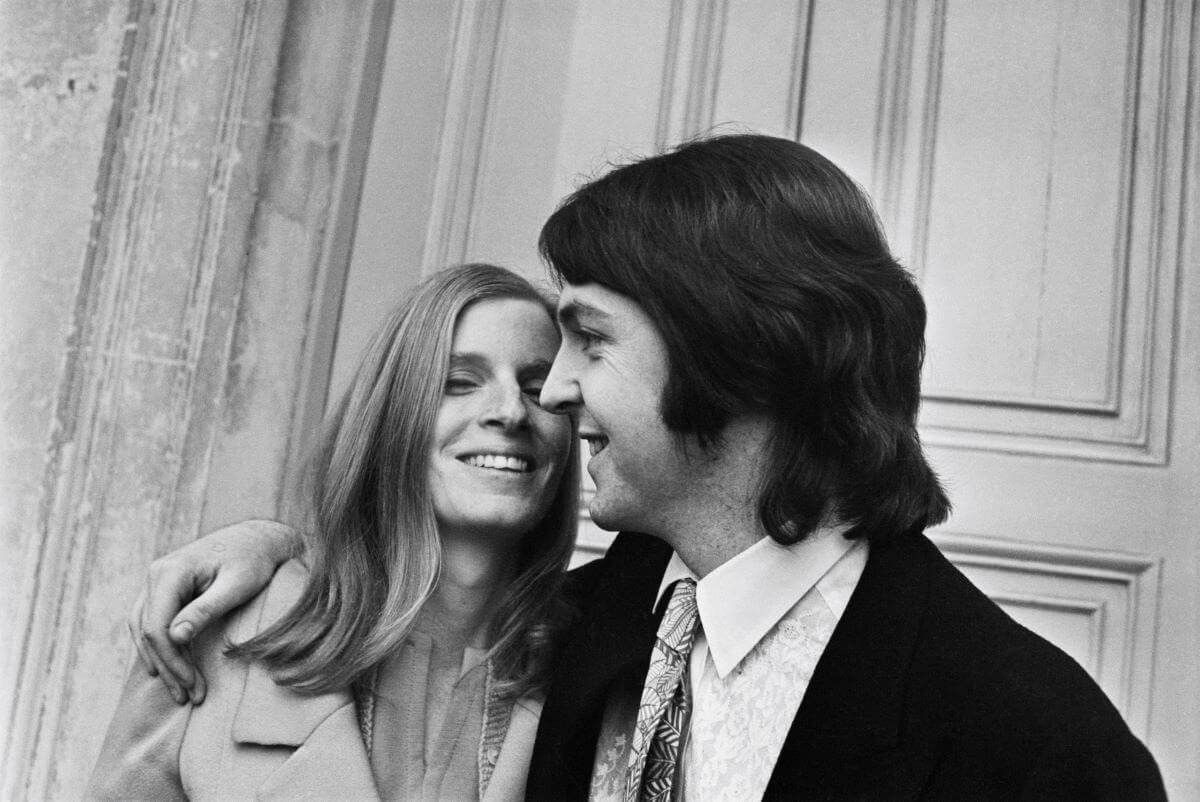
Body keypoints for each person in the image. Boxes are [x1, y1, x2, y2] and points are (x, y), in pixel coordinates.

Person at [128, 135, 1165, 800]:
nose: (554, 392)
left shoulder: (1032, 739)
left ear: (734, 347)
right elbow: (403, 619)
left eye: (589, 338)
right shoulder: (581, 627)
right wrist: (273, 555)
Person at [88, 263, 581, 800]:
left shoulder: (599, 667)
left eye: (538, 390)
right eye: (459, 383)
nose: (511, 412)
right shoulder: (219, 629)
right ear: (392, 417)